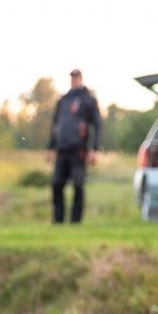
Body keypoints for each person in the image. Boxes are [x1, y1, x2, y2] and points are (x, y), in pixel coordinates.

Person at [46, 69, 102, 224]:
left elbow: (97, 124)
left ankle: (75, 221)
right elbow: (55, 125)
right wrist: (50, 147)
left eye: (76, 77)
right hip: (62, 149)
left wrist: (94, 149)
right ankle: (58, 220)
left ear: (81, 79)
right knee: (57, 184)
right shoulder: (63, 100)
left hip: (79, 150)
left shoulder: (88, 100)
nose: (74, 80)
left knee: (78, 185)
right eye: (72, 77)